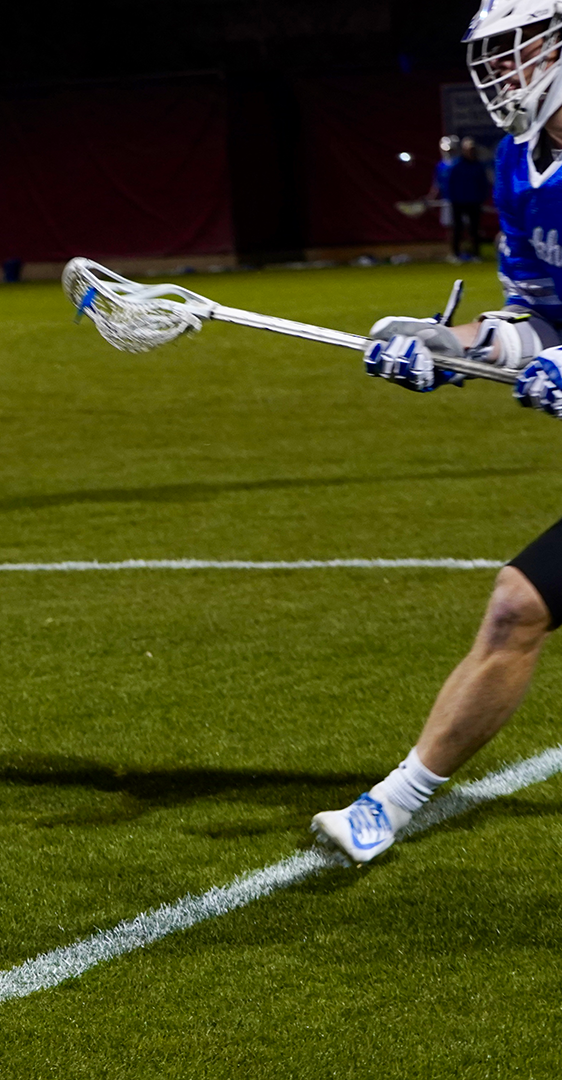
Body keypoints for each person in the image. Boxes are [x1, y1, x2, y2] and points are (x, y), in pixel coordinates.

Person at [320, 0, 562, 862]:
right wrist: (452, 346)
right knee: (516, 607)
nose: (502, 73)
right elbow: (535, 319)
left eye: (519, 50)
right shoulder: (517, 167)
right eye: (492, 56)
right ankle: (390, 804)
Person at [436, 135, 491, 262]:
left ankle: (476, 254)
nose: (471, 152)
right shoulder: (456, 166)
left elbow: (483, 184)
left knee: (474, 229)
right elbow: (449, 184)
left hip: (474, 202)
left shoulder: (478, 166)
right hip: (458, 202)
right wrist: (451, 199)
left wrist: (482, 198)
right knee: (457, 229)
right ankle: (455, 254)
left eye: (472, 149)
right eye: (468, 149)